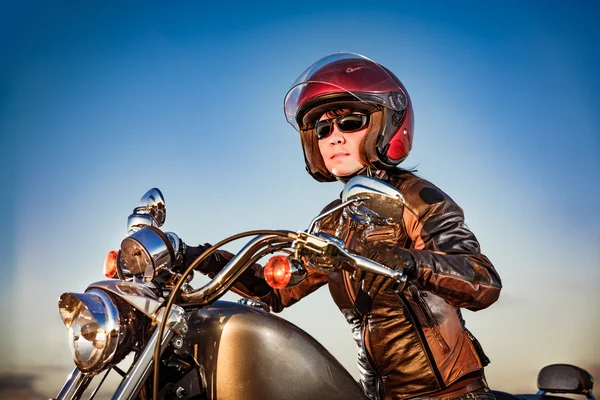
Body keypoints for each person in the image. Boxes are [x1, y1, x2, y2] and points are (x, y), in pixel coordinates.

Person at [183, 53, 502, 400]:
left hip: (449, 394)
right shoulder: (334, 219)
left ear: (386, 124)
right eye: (322, 129)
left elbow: (481, 279)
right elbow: (278, 291)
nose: (333, 137)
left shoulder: (414, 196)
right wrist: (202, 258)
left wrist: (406, 261)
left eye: (350, 122)